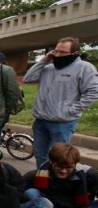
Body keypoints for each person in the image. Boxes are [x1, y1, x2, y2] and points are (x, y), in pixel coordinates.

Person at [22, 37, 98, 168]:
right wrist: (44, 60)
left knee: (60, 157)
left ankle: (58, 184)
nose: (57, 55)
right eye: (55, 51)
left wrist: (71, 110)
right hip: (41, 121)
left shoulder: (84, 68)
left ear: (75, 53)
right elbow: (28, 79)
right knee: (40, 154)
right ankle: (43, 180)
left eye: (62, 52)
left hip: (62, 123)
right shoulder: (49, 68)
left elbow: (93, 92)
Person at [24, 143, 98, 208]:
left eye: (69, 168)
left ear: (75, 164)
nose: (63, 171)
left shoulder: (89, 175)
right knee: (31, 193)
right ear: (51, 162)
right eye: (59, 167)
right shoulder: (37, 174)